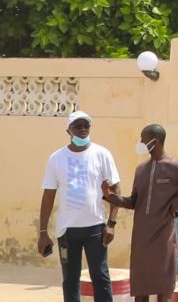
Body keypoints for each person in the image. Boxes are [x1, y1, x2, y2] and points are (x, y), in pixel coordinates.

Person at [103, 124, 178, 302]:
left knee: (163, 287)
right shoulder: (141, 169)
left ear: (155, 141)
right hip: (141, 237)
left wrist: (175, 204)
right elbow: (134, 202)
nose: (140, 143)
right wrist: (110, 197)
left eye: (143, 139)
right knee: (140, 288)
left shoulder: (175, 167)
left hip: (163, 236)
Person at [38, 111, 122, 302]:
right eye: (78, 126)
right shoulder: (56, 158)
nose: (83, 130)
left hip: (96, 229)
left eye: (86, 126)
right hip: (67, 232)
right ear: (68, 130)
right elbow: (48, 195)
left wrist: (111, 224)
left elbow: (116, 190)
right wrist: (43, 232)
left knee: (100, 277)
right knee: (70, 280)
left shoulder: (102, 154)